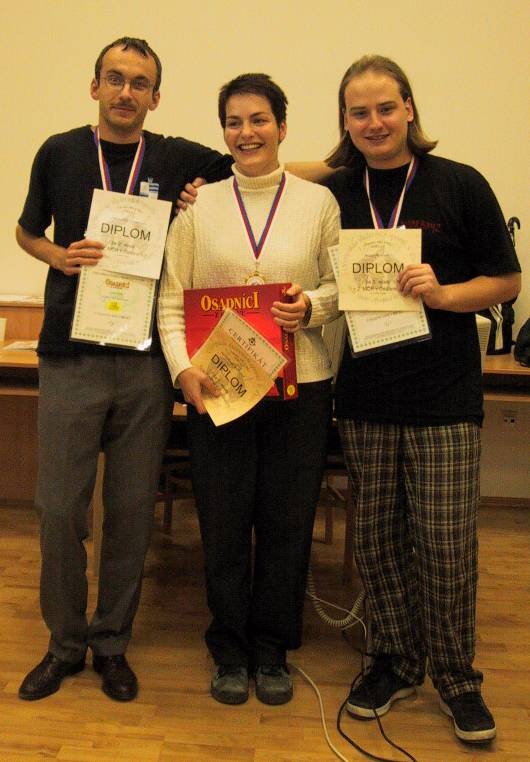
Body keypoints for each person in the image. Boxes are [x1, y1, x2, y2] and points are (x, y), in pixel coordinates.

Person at [15, 36, 236, 703]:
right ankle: (64, 644)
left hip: (145, 363)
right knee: (59, 509)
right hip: (71, 357)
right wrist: (56, 256)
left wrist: (203, 189)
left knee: (133, 511)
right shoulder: (58, 152)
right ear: (95, 87)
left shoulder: (175, 157)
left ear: (155, 97)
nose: (126, 92)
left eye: (140, 83)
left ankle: (111, 642)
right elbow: (26, 231)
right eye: (115, 78)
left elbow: (258, 164)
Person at [323, 55, 521, 743]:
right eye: (359, 112)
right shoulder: (336, 192)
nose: (374, 122)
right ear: (345, 121)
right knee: (378, 542)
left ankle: (458, 678)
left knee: (444, 546)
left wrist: (444, 294)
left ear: (409, 108)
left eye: (386, 108)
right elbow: (272, 173)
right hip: (365, 396)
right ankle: (394, 662)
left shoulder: (459, 184)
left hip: (444, 400)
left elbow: (506, 282)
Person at [158, 73, 340, 706]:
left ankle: (272, 649)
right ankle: (229, 648)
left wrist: (311, 307)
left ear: (282, 127)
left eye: (259, 119)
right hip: (220, 389)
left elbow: (340, 287)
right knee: (225, 521)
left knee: (288, 522)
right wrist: (182, 371)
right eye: (234, 122)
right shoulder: (197, 207)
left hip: (301, 387)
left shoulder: (318, 203)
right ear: (224, 133)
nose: (246, 132)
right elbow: (172, 300)